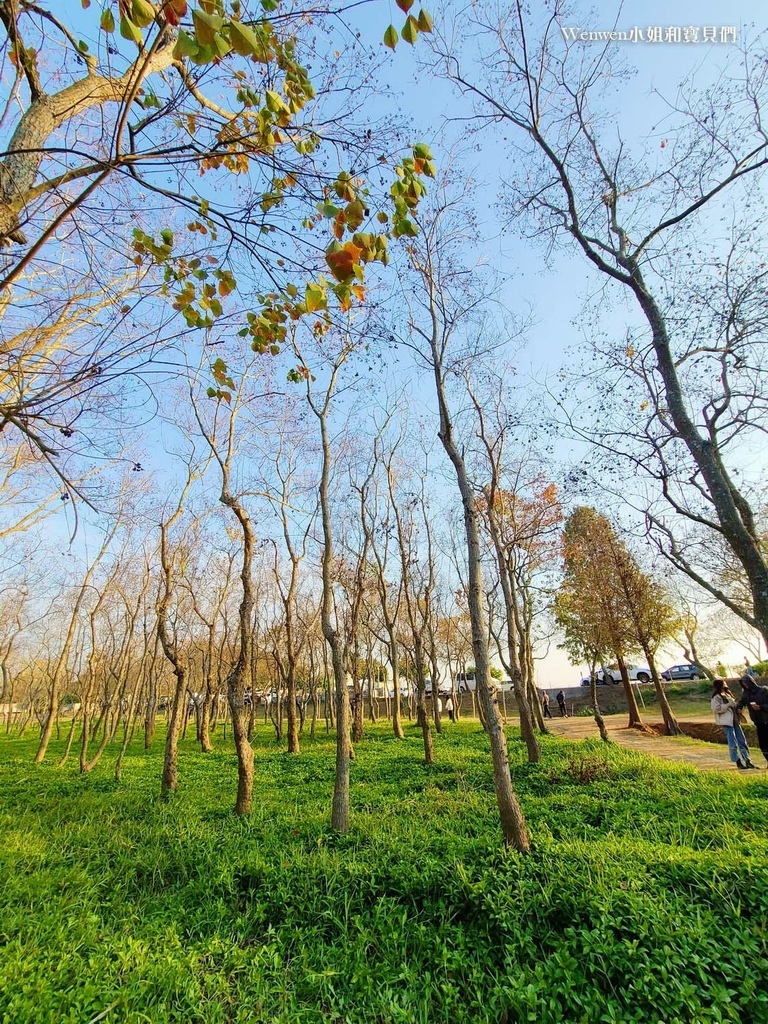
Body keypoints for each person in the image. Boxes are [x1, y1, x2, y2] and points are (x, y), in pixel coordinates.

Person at [711, 679, 757, 770]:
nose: (725, 684)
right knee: (733, 743)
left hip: (735, 721)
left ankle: (747, 760)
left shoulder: (728, 694)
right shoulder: (716, 697)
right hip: (727, 722)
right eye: (723, 683)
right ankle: (738, 762)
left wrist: (737, 708)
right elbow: (715, 709)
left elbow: (734, 705)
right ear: (720, 685)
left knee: (742, 741)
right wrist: (728, 705)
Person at [736, 675, 768, 768]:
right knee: (763, 744)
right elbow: (741, 702)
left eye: (746, 683)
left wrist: (761, 707)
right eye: (743, 684)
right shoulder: (746, 694)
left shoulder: (764, 691)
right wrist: (739, 707)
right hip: (758, 723)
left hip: (767, 720)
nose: (745, 685)